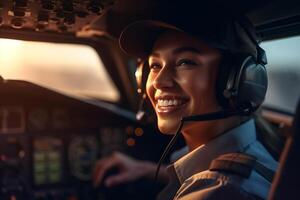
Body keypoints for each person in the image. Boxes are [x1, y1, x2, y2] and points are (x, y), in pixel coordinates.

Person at [94, 5, 278, 199]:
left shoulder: (220, 191)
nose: (158, 81)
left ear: (238, 79)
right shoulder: (247, 156)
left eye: (185, 62)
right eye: (155, 65)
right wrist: (144, 169)